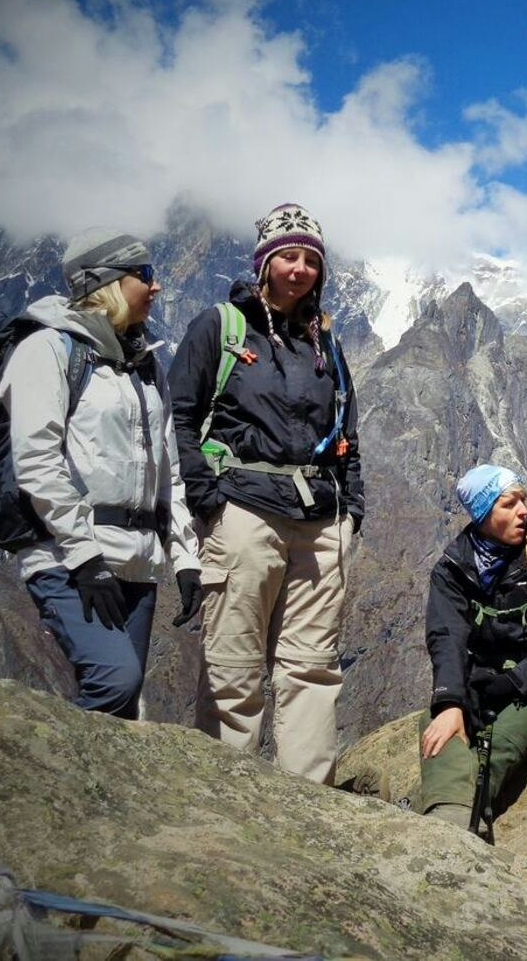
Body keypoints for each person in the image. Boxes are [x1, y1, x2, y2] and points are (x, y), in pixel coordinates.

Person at [169, 203, 362, 785]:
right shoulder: (221, 326)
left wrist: (351, 510)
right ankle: (222, 797)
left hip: (319, 520)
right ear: (265, 263)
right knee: (234, 661)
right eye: (288, 257)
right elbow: (179, 413)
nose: (300, 269)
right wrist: (207, 499)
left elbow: (348, 430)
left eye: (311, 260)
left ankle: (309, 802)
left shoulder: (324, 342)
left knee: (312, 668)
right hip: (244, 509)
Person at [0, 228, 203, 719]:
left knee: (122, 705)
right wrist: (85, 557)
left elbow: (167, 470)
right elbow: (37, 460)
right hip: (70, 558)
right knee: (114, 681)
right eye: (145, 275)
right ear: (108, 282)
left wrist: (185, 557)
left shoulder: (143, 364)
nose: (156, 287)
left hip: (136, 561)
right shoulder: (47, 350)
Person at [419, 465, 527, 835]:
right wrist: (451, 702)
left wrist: (516, 681)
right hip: (486, 686)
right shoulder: (453, 570)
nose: (523, 512)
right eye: (509, 504)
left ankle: (448, 819)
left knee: (500, 742)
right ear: (483, 515)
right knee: (440, 725)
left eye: (523, 501)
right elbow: (446, 637)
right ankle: (452, 815)